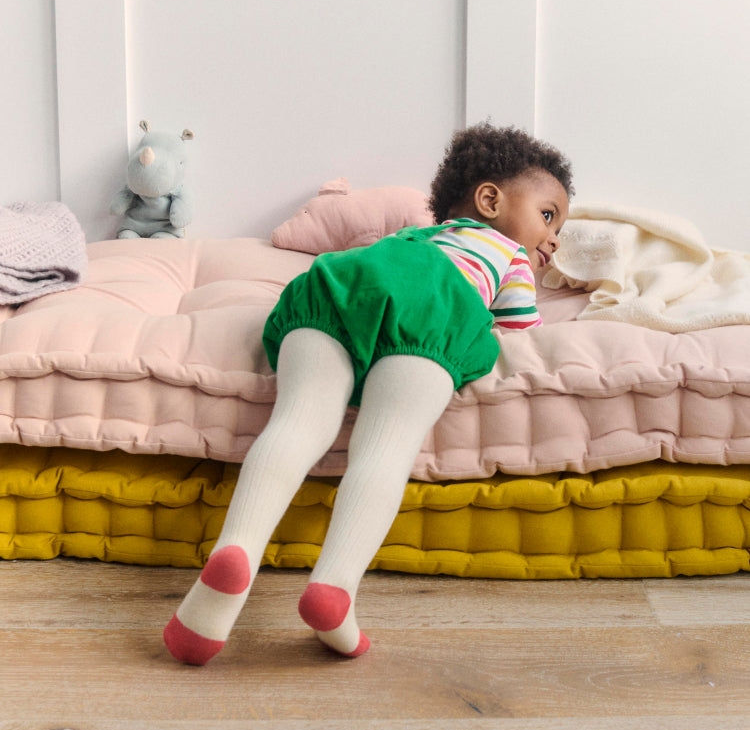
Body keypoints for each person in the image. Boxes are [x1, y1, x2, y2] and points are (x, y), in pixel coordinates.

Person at [164, 122, 574, 664]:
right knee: (386, 449)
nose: (554, 239)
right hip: (432, 307)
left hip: (344, 283)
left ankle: (227, 565)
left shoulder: (412, 236)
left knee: (296, 423)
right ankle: (335, 587)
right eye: (548, 216)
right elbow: (523, 334)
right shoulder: (511, 259)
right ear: (491, 200)